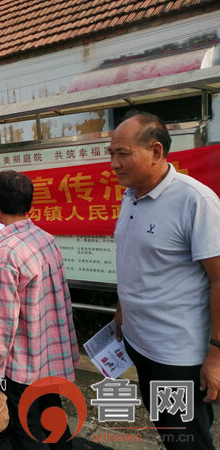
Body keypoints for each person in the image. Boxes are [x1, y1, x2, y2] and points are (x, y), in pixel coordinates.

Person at [111, 111, 220, 449]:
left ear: (156, 151)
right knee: (168, 428)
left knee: (185, 438)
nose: (114, 164)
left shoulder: (195, 201)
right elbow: (135, 260)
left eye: (122, 154)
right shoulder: (131, 195)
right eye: (111, 153)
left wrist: (217, 354)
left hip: (175, 355)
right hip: (140, 343)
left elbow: (219, 279)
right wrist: (122, 308)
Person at [0, 170, 79, 449]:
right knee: (52, 415)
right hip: (49, 353)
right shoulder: (45, 238)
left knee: (26, 428)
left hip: (21, 362)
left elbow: (0, 319)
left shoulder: (5, 252)